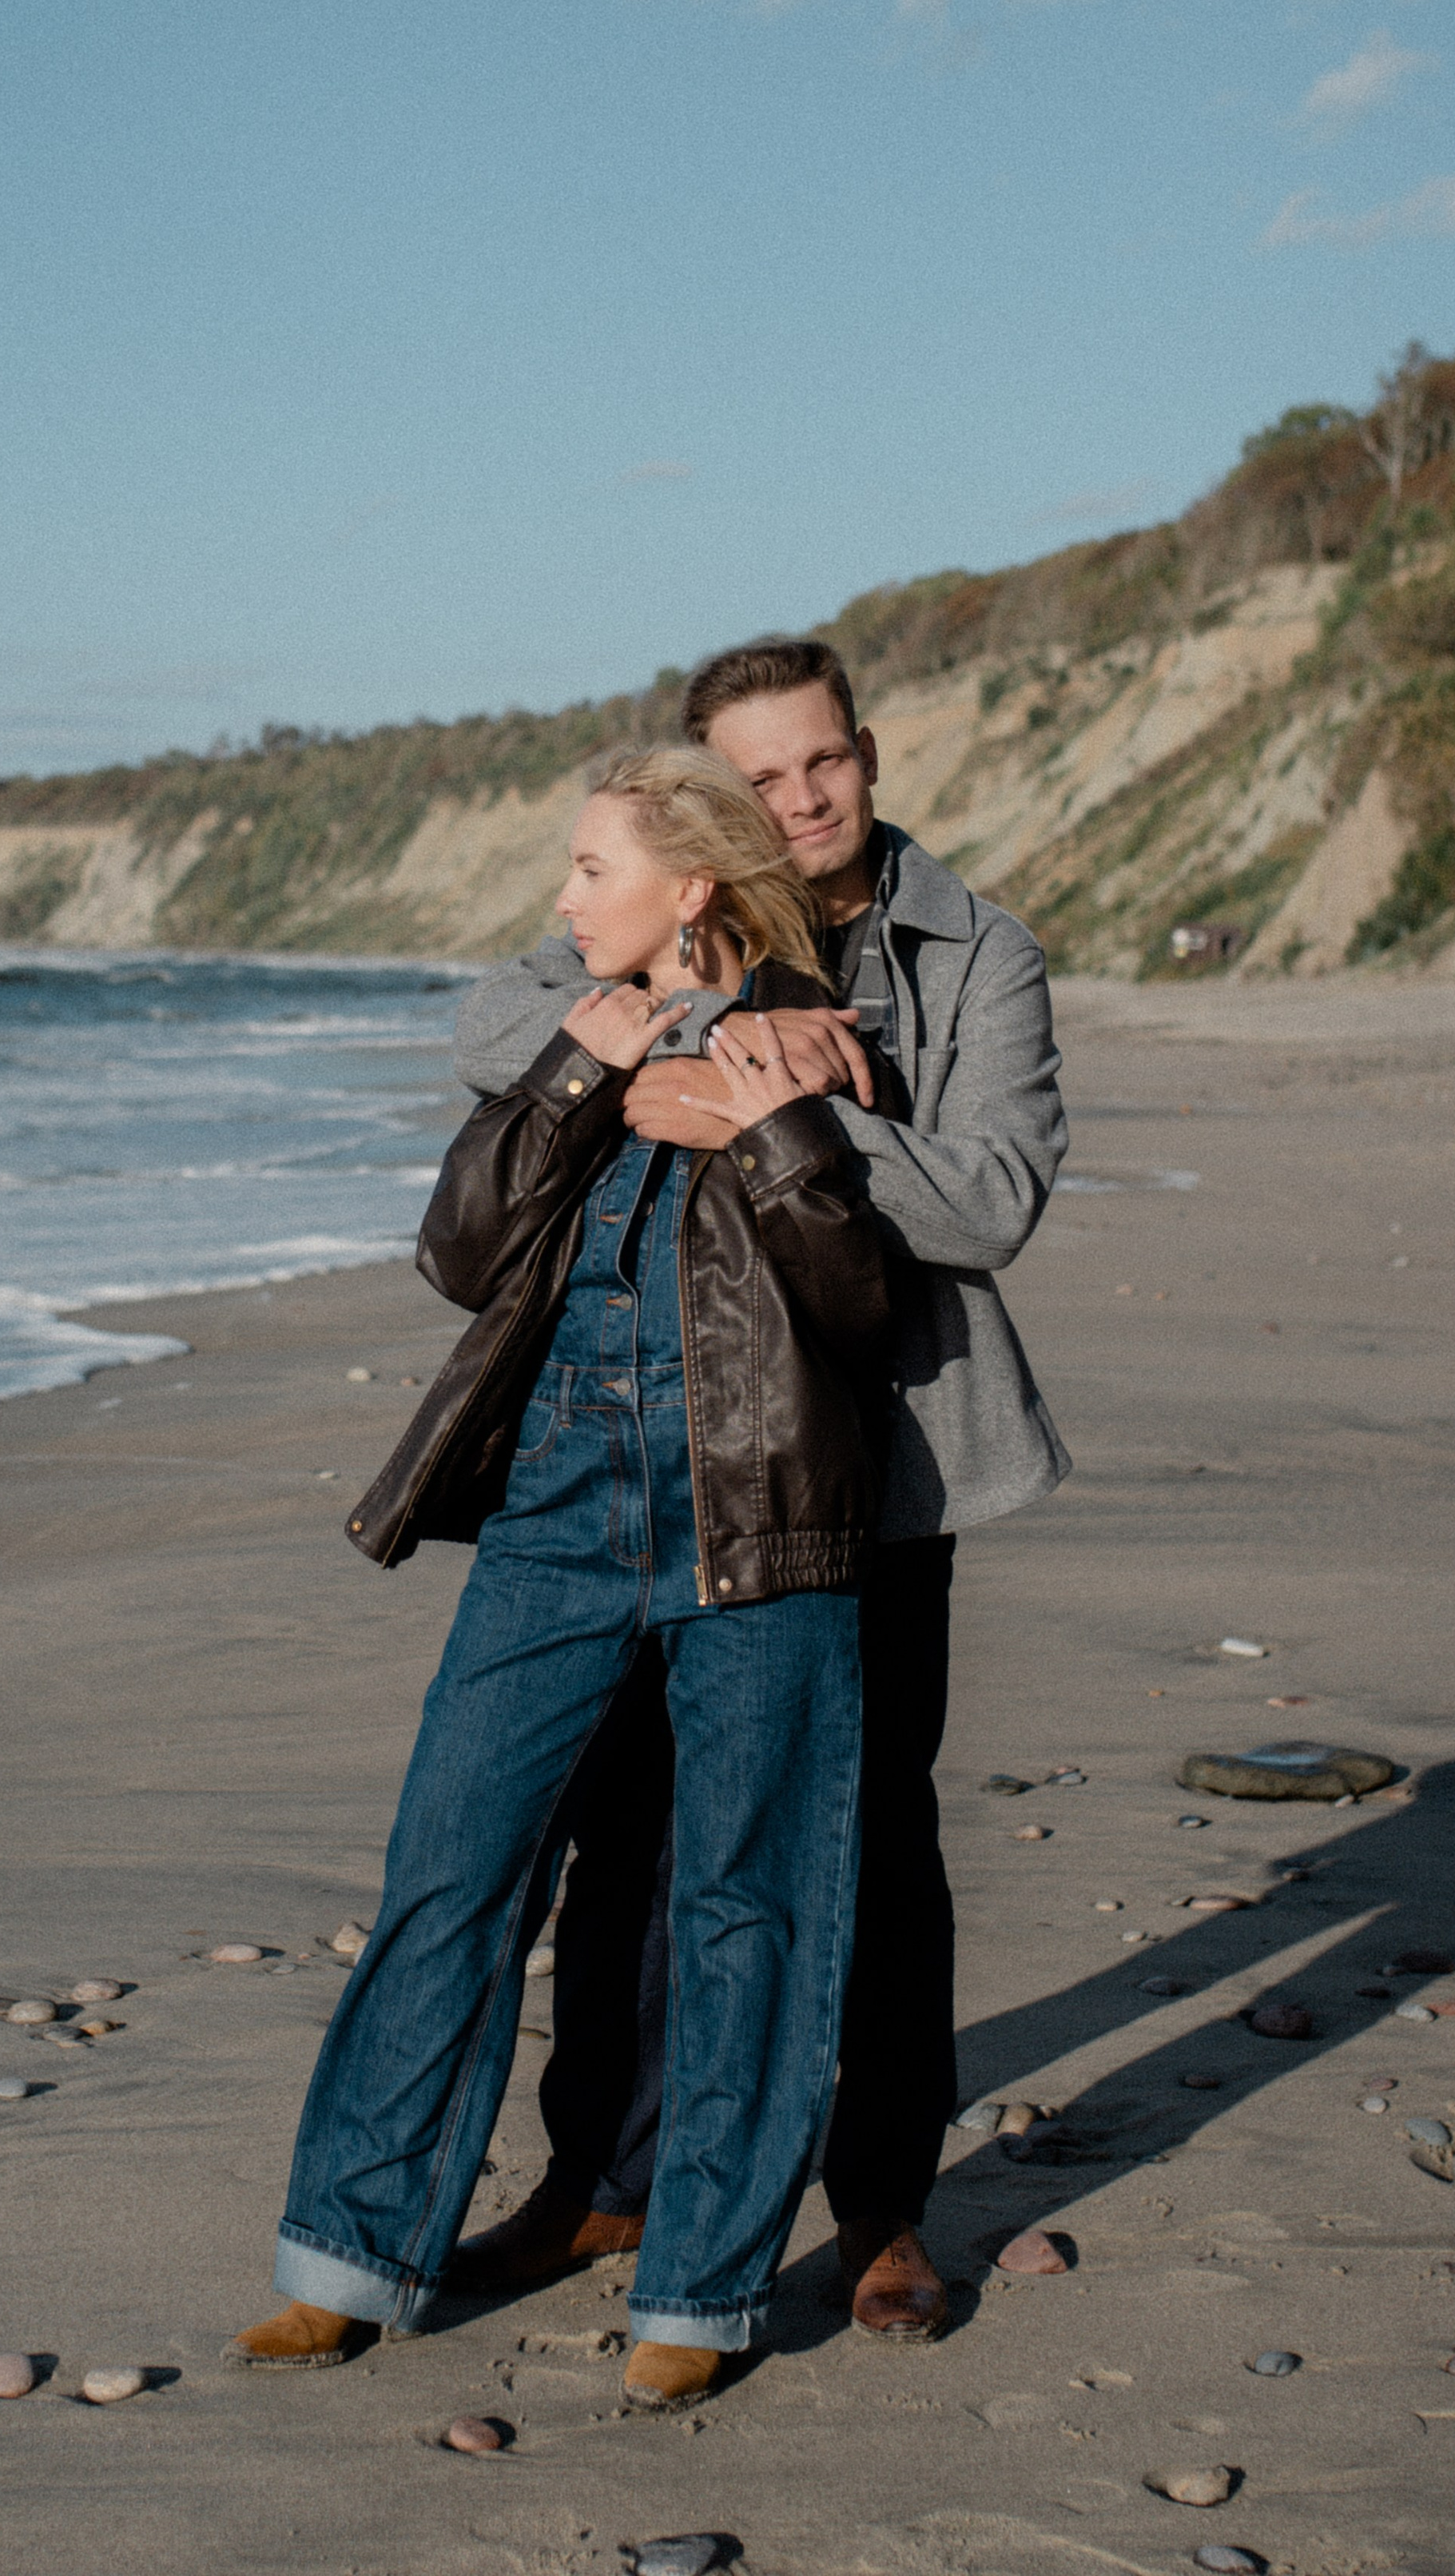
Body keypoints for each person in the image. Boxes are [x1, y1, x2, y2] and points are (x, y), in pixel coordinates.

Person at [225, 747, 894, 2410]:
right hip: (555, 1514)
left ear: (688, 893)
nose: (560, 899)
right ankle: (345, 2259)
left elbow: (861, 1302)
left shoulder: (813, 1039)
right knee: (451, 1867)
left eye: (589, 871)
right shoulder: (573, 1033)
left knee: (750, 1901)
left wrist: (766, 1126)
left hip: (760, 1523)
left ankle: (702, 2288)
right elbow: (457, 1256)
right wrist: (560, 1085)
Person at [447, 634, 1070, 2342]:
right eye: (760, 778)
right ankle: (606, 2183)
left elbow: (990, 1200)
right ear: (706, 803)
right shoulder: (679, 919)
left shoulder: (968, 949)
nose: (800, 802)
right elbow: (496, 1017)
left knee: (868, 1832)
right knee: (631, 1826)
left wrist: (792, 1113)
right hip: (664, 1453)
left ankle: (877, 2209)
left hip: (884, 1460)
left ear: (865, 754)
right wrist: (683, 1034)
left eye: (824, 764)